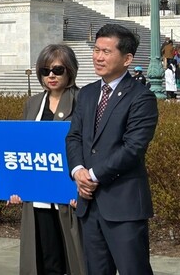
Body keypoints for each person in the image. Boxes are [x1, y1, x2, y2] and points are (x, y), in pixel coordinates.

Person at [66, 24, 158, 275]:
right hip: (89, 205)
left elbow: (133, 148)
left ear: (127, 59)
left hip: (123, 205)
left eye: (106, 51)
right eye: (96, 50)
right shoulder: (86, 93)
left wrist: (93, 176)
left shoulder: (141, 97)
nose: (98, 57)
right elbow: (73, 137)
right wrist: (77, 171)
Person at [8, 45, 85, 275]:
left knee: (73, 257)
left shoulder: (83, 100)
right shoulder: (33, 104)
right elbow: (23, 149)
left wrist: (80, 189)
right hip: (38, 197)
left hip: (70, 196)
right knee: (44, 257)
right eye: (45, 70)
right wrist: (16, 186)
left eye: (58, 69)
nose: (51, 75)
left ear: (70, 70)